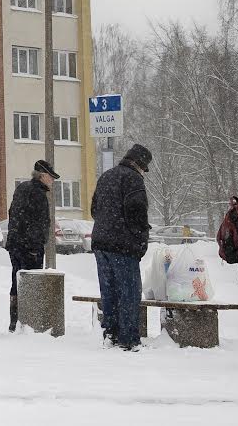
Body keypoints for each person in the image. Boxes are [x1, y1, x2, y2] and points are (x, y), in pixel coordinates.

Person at [90, 142, 153, 350]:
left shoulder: (106, 176)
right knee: (129, 292)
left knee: (109, 292)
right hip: (123, 246)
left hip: (101, 244)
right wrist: (141, 239)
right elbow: (137, 213)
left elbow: (94, 209)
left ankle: (111, 334)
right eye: (144, 168)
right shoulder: (133, 179)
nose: (144, 172)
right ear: (140, 164)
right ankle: (129, 339)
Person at [6, 159, 57, 331]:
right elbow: (36, 223)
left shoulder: (22, 188)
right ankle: (28, 322)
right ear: (42, 176)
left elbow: (13, 214)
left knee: (17, 280)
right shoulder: (37, 194)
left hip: (15, 245)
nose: (52, 181)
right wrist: (35, 244)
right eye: (51, 177)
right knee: (31, 283)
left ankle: (15, 321)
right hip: (30, 247)